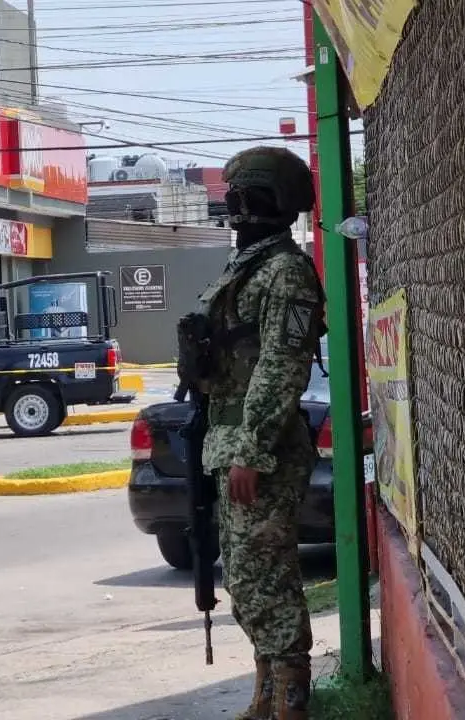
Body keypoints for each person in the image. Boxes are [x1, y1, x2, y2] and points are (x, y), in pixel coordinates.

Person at [190, 146, 324, 719]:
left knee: (266, 575)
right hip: (230, 441)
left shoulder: (286, 271)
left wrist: (252, 449)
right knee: (245, 576)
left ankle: (290, 700)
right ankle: (266, 694)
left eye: (242, 196)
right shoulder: (249, 265)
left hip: (260, 450)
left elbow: (281, 365)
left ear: (269, 201)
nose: (234, 207)